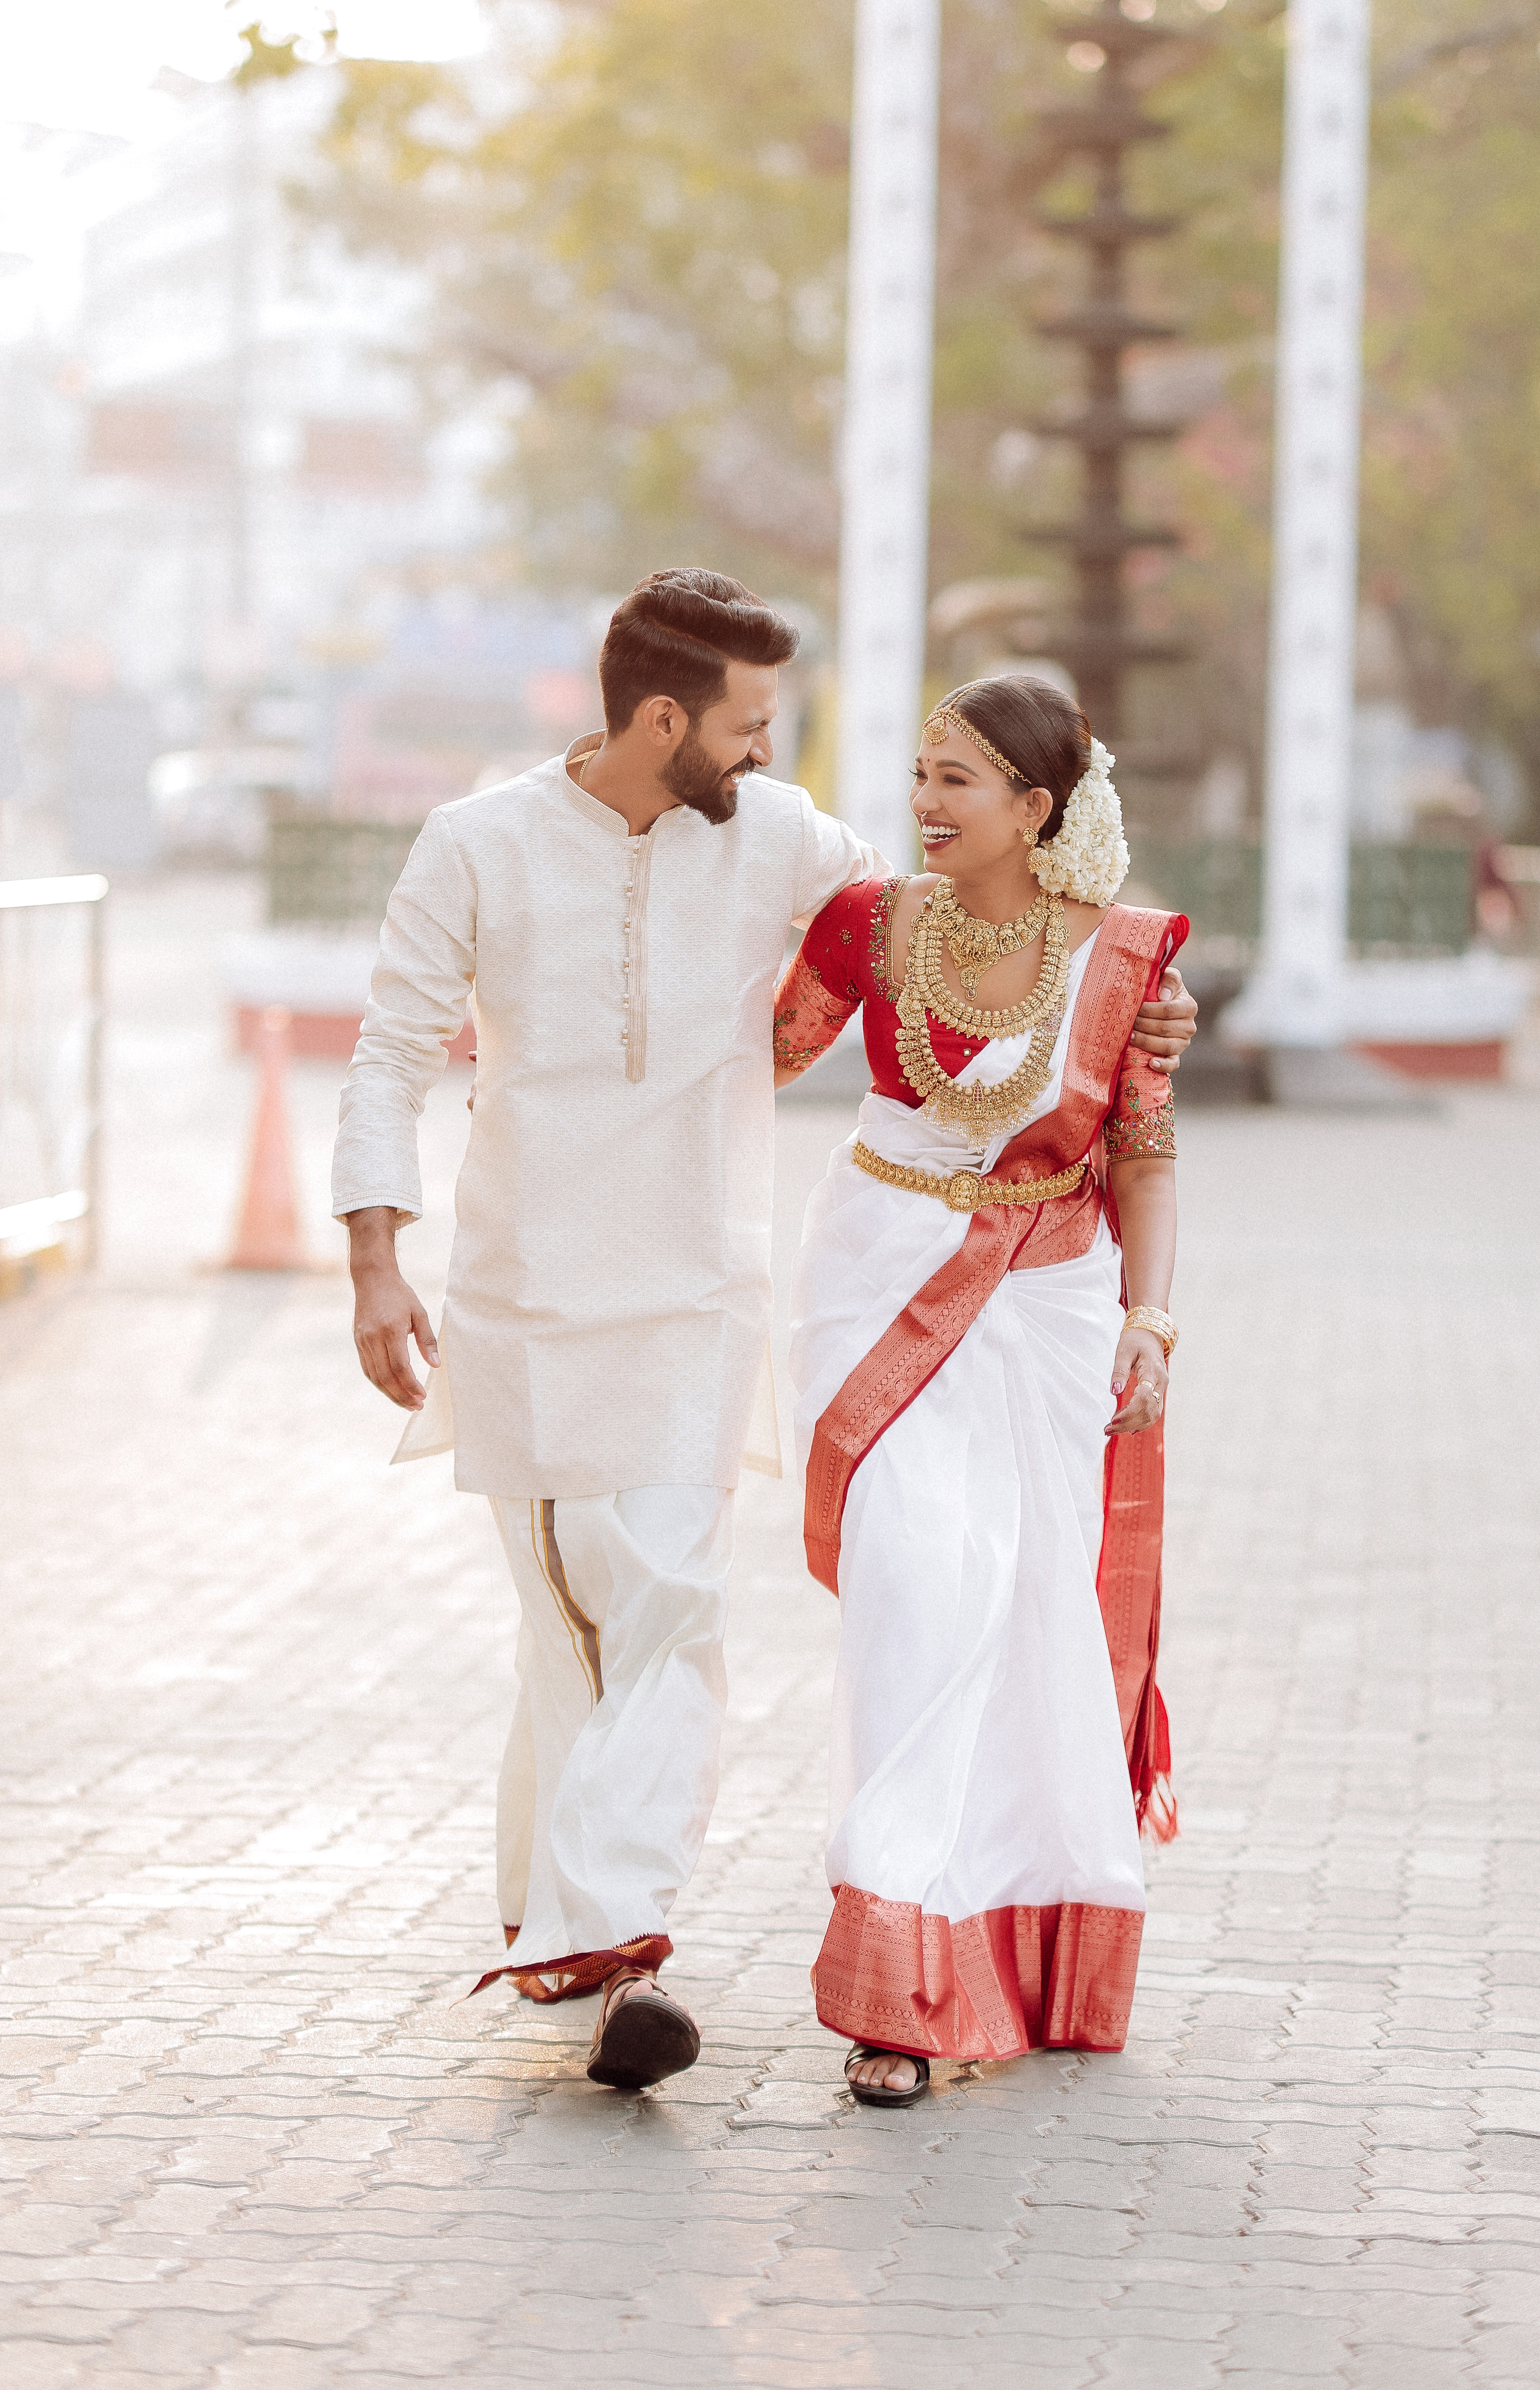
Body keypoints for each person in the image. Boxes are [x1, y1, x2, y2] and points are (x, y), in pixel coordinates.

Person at [333, 574, 1198, 2092]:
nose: (766, 750)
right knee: (570, 1625)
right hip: (527, 1300)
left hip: (697, 1294)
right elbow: (392, 1045)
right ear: (661, 716)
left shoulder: (785, 840)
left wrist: (1134, 1010)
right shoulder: (475, 845)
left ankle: (618, 1938)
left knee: (664, 1601)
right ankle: (555, 1904)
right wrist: (375, 1258)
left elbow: (970, 923)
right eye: (745, 723)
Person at [772, 675, 1182, 2107]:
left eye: (960, 779)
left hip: (1048, 1305)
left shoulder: (1125, 962)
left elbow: (1143, 1151)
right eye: (921, 772)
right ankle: (897, 1966)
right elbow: (748, 1053)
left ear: (1036, 806)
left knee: (1021, 1609)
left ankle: (988, 1957)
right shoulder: (873, 924)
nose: (927, 801)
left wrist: (1150, 1314)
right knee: (911, 1582)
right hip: (879, 1269)